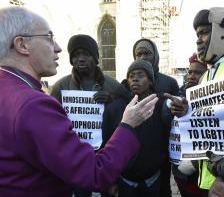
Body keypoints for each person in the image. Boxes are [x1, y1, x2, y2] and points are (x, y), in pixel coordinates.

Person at [0, 6, 159, 197]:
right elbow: (94, 173)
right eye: (49, 37)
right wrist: (128, 124)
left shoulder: (10, 88)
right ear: (22, 45)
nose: (58, 48)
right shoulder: (34, 104)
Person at [166, 7, 224, 197]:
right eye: (197, 34)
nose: (199, 40)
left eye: (204, 32)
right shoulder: (207, 74)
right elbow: (207, 121)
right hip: (210, 181)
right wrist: (186, 112)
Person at [50, 34, 126, 197]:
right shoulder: (60, 87)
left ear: (95, 57)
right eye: (76, 55)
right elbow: (51, 120)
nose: (80, 59)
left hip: (106, 153)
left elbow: (127, 111)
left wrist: (111, 101)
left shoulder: (112, 85)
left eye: (85, 54)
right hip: (75, 156)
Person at [101, 60, 173, 197]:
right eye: (131, 75)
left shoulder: (161, 106)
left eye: (140, 75)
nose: (135, 78)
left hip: (153, 180)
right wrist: (110, 181)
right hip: (125, 181)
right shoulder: (115, 108)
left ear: (150, 81)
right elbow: (106, 145)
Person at [133, 38, 179, 197]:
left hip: (165, 145)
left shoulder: (170, 83)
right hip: (141, 147)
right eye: (138, 54)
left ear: (156, 56)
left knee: (164, 187)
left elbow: (179, 113)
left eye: (147, 53)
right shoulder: (130, 83)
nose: (143, 58)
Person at [172, 53, 207, 197]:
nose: (192, 75)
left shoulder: (213, 99)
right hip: (178, 165)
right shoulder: (178, 95)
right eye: (190, 71)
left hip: (200, 169)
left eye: (198, 72)